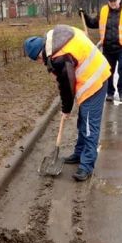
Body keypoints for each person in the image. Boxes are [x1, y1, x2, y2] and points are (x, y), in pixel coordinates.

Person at [23, 25, 111, 181]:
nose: (39, 62)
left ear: (39, 54)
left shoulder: (59, 57)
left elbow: (67, 85)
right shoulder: (55, 36)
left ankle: (87, 166)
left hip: (95, 80)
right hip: (91, 73)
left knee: (90, 125)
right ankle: (79, 153)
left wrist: (66, 109)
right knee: (83, 120)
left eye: (37, 59)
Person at [79, 0, 122, 102]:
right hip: (108, 49)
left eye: (114, 1)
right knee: (107, 71)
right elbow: (93, 23)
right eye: (110, 1)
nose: (112, 3)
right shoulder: (103, 11)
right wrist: (85, 15)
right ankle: (110, 92)